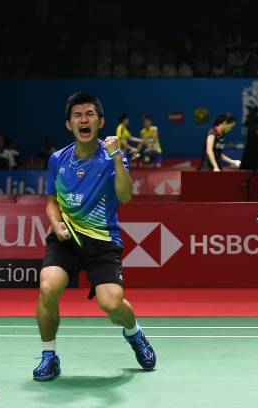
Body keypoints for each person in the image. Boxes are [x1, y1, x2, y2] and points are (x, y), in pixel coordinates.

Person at [33, 92, 156, 381]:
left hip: (102, 241)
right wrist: (55, 223)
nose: (83, 119)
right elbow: (51, 199)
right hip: (67, 239)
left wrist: (116, 157)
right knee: (48, 287)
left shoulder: (112, 157)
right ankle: (49, 356)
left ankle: (134, 332)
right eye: (77, 115)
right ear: (69, 124)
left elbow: (125, 196)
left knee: (112, 305)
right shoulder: (57, 159)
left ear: (100, 122)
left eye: (89, 114)